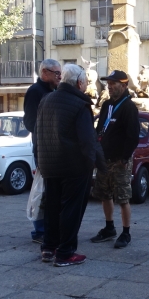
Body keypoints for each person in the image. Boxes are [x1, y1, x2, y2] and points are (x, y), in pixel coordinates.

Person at [35, 64, 104, 267]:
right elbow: (86, 140)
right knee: (71, 208)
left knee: (52, 206)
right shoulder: (79, 104)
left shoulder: (46, 100)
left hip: (49, 163)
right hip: (73, 166)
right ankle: (65, 252)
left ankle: (49, 247)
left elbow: (38, 132)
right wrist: (93, 162)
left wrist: (40, 159)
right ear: (80, 83)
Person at [91, 70, 140, 249]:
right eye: (108, 83)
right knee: (104, 194)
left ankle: (126, 232)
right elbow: (100, 130)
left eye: (114, 83)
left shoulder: (129, 107)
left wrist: (125, 158)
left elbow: (133, 136)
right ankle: (109, 227)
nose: (109, 86)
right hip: (104, 158)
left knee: (123, 197)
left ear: (124, 85)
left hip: (120, 160)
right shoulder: (106, 105)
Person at [24, 59, 62, 245]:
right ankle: (39, 231)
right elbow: (30, 122)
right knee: (42, 192)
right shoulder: (35, 92)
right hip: (42, 149)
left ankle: (48, 228)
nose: (59, 77)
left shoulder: (53, 91)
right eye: (56, 73)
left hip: (53, 149)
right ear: (44, 73)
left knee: (50, 191)